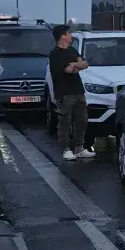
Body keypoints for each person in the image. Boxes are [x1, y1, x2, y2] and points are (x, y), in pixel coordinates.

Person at [49, 24, 94, 160]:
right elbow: (68, 71)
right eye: (69, 33)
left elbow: (84, 64)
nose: (71, 36)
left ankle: (79, 148)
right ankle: (66, 149)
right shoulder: (55, 54)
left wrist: (74, 64)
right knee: (65, 121)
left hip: (78, 90)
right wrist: (75, 66)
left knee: (82, 120)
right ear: (63, 35)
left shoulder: (73, 50)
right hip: (64, 93)